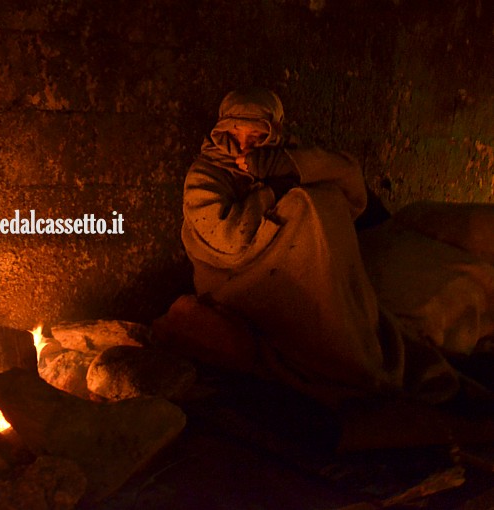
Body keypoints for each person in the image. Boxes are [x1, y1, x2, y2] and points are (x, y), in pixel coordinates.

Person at [181, 87, 465, 407]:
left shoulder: (283, 159)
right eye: (236, 132)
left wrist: (289, 167)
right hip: (237, 279)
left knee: (322, 197)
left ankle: (347, 336)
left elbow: (348, 182)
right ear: (222, 131)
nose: (246, 143)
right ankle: (336, 350)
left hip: (302, 278)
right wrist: (272, 193)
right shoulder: (206, 175)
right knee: (303, 204)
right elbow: (227, 241)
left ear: (273, 133)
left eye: (257, 134)